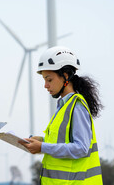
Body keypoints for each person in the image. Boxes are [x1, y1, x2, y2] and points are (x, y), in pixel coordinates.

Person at [21, 46, 103, 184]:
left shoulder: (76, 106)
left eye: (49, 79)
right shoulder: (64, 106)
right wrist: (41, 140)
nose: (45, 85)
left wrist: (42, 147)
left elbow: (81, 148)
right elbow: (63, 141)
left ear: (65, 76)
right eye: (44, 80)